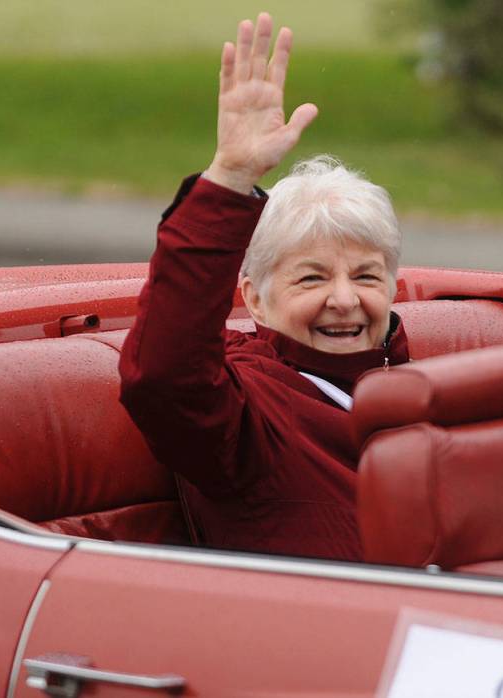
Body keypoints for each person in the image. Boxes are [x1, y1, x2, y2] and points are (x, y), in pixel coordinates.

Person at [118, 13, 409, 561]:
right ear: (254, 299)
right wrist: (230, 175)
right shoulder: (247, 414)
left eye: (367, 275)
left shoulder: (419, 396)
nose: (345, 299)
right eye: (312, 277)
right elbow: (163, 376)